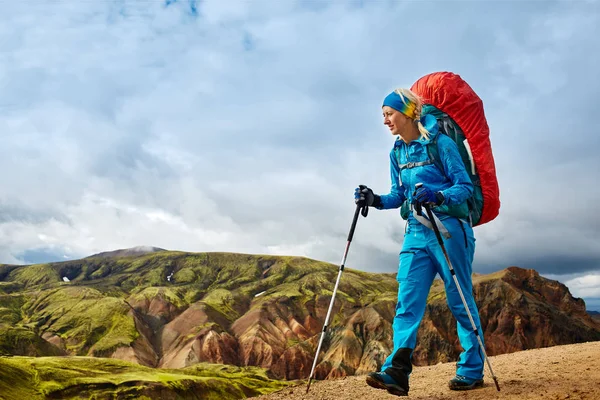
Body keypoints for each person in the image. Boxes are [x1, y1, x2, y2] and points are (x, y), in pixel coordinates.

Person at [354, 88, 485, 396]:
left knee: (460, 300)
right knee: (407, 301)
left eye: (389, 114)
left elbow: (464, 186)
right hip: (415, 230)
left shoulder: (441, 144)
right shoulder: (397, 152)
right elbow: (398, 195)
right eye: (383, 116)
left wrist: (439, 196)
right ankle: (397, 371)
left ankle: (472, 370)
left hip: (450, 228)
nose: (385, 121)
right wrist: (373, 200)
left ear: (408, 113)